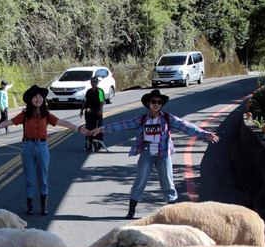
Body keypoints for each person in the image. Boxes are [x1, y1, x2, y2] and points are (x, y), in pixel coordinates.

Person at [93, 89, 219, 218]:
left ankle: (173, 213)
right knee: (140, 180)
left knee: (167, 182)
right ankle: (131, 211)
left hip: (163, 152)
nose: (156, 104)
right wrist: (102, 129)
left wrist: (205, 134)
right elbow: (123, 124)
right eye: (153, 101)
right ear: (148, 103)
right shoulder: (142, 119)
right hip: (147, 151)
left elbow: (185, 126)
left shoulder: (167, 118)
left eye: (159, 102)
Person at [0, 85, 88, 216]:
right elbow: (8, 123)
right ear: (30, 99)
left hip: (42, 147)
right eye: (36, 97)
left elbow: (62, 122)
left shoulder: (45, 114)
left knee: (43, 178)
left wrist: (79, 129)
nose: (38, 99)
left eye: (41, 97)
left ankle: (43, 207)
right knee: (29, 179)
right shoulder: (24, 114)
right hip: (28, 146)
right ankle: (30, 207)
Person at [81, 76, 107, 152]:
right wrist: (82, 110)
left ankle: (99, 144)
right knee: (89, 128)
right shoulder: (88, 91)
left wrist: (100, 109)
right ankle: (90, 143)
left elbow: (102, 101)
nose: (93, 83)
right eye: (92, 82)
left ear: (97, 82)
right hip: (89, 112)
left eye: (95, 82)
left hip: (97, 112)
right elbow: (85, 101)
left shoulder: (100, 91)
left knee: (98, 128)